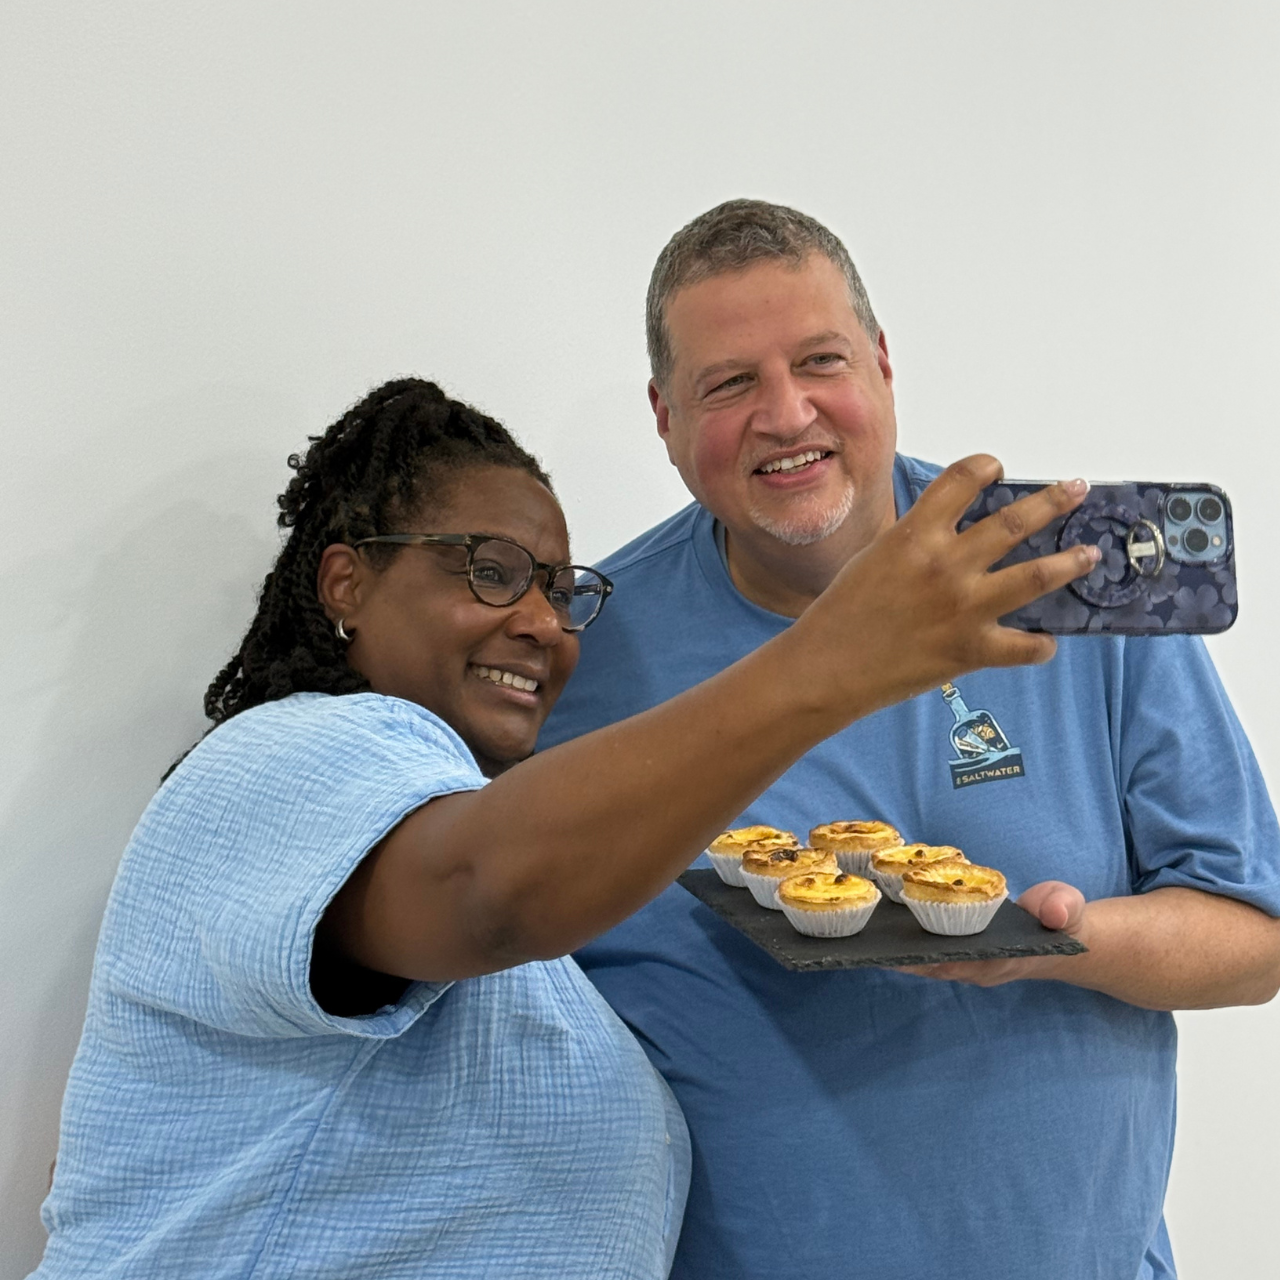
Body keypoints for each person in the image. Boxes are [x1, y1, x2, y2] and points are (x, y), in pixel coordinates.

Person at [31, 378, 1097, 1279]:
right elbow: (482, 893)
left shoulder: (468, 829)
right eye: (488, 569)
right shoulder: (286, 758)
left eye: (559, 587)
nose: (540, 617)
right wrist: (826, 665)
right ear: (347, 581)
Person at [540, 200, 1280, 1280]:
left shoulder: (1068, 581)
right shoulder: (580, 649)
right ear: (663, 415)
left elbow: (1253, 938)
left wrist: (1053, 940)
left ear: (882, 363)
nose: (785, 413)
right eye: (728, 383)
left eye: (819, 359)